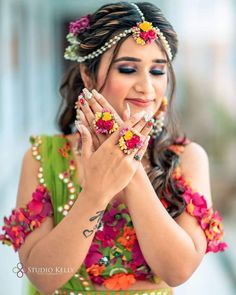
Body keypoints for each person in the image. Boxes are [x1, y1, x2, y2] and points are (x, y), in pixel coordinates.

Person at [0, 2, 227, 295]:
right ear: (88, 75)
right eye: (128, 69)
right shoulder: (42, 158)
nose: (146, 87)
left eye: (157, 71)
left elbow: (177, 271)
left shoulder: (187, 159)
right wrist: (95, 193)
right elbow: (43, 276)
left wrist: (124, 157)